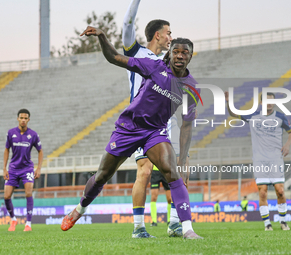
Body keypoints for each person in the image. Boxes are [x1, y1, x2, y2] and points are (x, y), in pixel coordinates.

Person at [60, 26, 203, 239]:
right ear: (170, 53)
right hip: (128, 129)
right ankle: (80, 208)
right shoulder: (153, 67)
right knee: (102, 176)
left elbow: (187, 125)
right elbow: (114, 58)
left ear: (191, 57)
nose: (180, 56)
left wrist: (183, 158)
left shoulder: (191, 87)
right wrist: (102, 36)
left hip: (154, 132)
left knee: (174, 174)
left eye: (185, 53)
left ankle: (187, 230)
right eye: (176, 51)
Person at [122, 0, 187, 238]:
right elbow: (127, 23)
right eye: (168, 33)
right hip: (139, 122)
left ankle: (174, 224)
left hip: (164, 123)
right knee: (145, 172)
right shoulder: (137, 52)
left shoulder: (168, 63)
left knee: (174, 172)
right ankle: (139, 227)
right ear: (158, 35)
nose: (171, 36)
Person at [225, 92, 291, 231]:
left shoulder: (280, 117)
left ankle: (283, 222)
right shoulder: (253, 115)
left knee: (280, 191)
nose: (269, 103)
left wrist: (287, 145)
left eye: (272, 101)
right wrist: (228, 101)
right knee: (262, 192)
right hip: (259, 159)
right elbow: (233, 113)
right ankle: (267, 224)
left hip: (276, 158)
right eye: (267, 100)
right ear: (261, 102)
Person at [3, 109, 43, 232]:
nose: (23, 120)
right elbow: (6, 149)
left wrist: (39, 168)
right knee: (6, 196)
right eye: (21, 118)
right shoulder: (11, 133)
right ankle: (13, 219)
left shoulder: (33, 135)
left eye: (26, 118)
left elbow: (40, 151)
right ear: (18, 119)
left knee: (28, 193)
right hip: (13, 169)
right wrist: (4, 168)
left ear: (28, 120)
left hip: (27, 169)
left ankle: (28, 224)